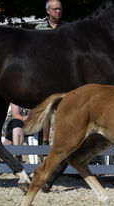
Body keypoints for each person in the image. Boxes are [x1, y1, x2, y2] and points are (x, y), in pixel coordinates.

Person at [35, 0, 67, 145]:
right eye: (55, 9)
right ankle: (45, 141)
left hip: (64, 72)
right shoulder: (39, 27)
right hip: (45, 71)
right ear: (48, 11)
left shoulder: (67, 27)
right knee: (47, 103)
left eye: (60, 9)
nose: (58, 12)